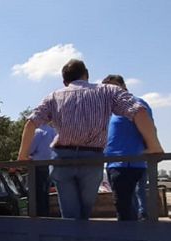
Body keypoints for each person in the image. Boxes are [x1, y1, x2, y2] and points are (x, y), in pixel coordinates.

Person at [17, 59, 164, 219]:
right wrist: (154, 146)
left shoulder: (53, 96)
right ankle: (83, 237)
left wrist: (23, 155)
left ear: (65, 81)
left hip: (62, 159)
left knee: (70, 214)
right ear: (86, 74)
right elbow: (139, 111)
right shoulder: (108, 91)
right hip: (92, 159)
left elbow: (31, 123)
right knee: (85, 213)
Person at [101, 75, 152, 221]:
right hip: (114, 164)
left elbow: (149, 128)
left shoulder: (135, 103)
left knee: (125, 210)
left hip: (128, 163)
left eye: (113, 86)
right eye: (106, 88)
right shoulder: (111, 110)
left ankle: (130, 240)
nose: (109, 90)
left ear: (123, 86)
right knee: (125, 207)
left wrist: (151, 149)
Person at [28, 123, 57, 216]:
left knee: (37, 193)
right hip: (49, 165)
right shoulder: (53, 131)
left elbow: (30, 150)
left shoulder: (38, 132)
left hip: (37, 165)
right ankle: (46, 214)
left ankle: (38, 216)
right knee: (45, 193)